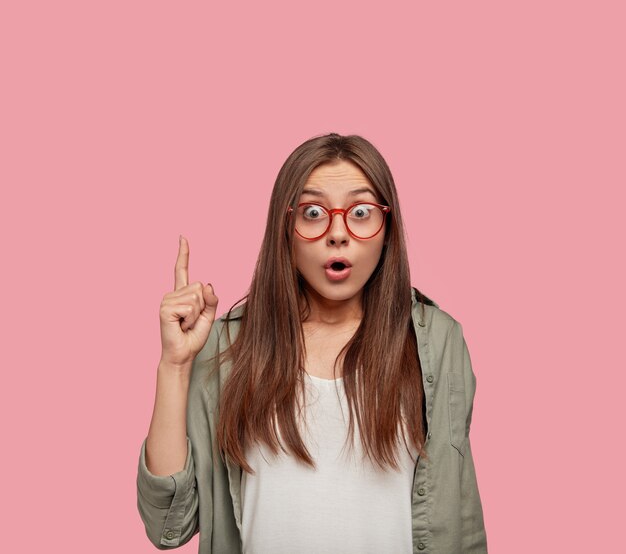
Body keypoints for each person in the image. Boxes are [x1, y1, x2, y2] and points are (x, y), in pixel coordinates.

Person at [136, 133, 488, 553]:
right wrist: (174, 366)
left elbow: (459, 521)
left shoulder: (437, 341)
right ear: (286, 229)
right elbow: (168, 523)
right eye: (314, 212)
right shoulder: (226, 345)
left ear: (387, 228)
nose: (337, 234)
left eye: (360, 212)